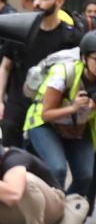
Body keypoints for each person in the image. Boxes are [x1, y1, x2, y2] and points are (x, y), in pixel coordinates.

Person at [0, 0, 81, 148]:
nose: (37, 3)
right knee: (11, 154)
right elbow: (5, 67)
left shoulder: (71, 37)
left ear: (59, 1)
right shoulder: (19, 31)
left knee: (40, 162)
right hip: (17, 104)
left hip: (49, 108)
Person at [21, 29, 96, 205]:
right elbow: (46, 113)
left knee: (86, 175)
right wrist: (73, 108)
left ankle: (63, 214)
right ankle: (49, 213)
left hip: (77, 126)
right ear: (84, 58)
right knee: (57, 168)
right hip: (44, 123)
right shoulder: (63, 73)